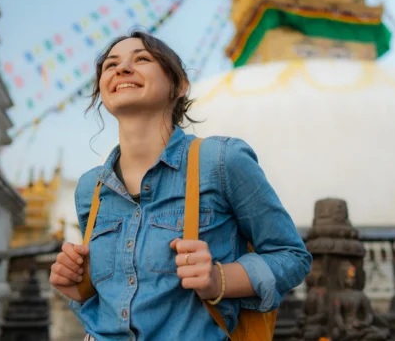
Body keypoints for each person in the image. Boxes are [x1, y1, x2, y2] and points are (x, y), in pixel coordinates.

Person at [49, 30, 312, 341]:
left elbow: (292, 256)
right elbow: (111, 295)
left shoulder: (221, 160)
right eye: (111, 65)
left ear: (180, 85)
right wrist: (77, 287)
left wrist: (219, 279)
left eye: (142, 59)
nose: (122, 69)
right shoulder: (91, 189)